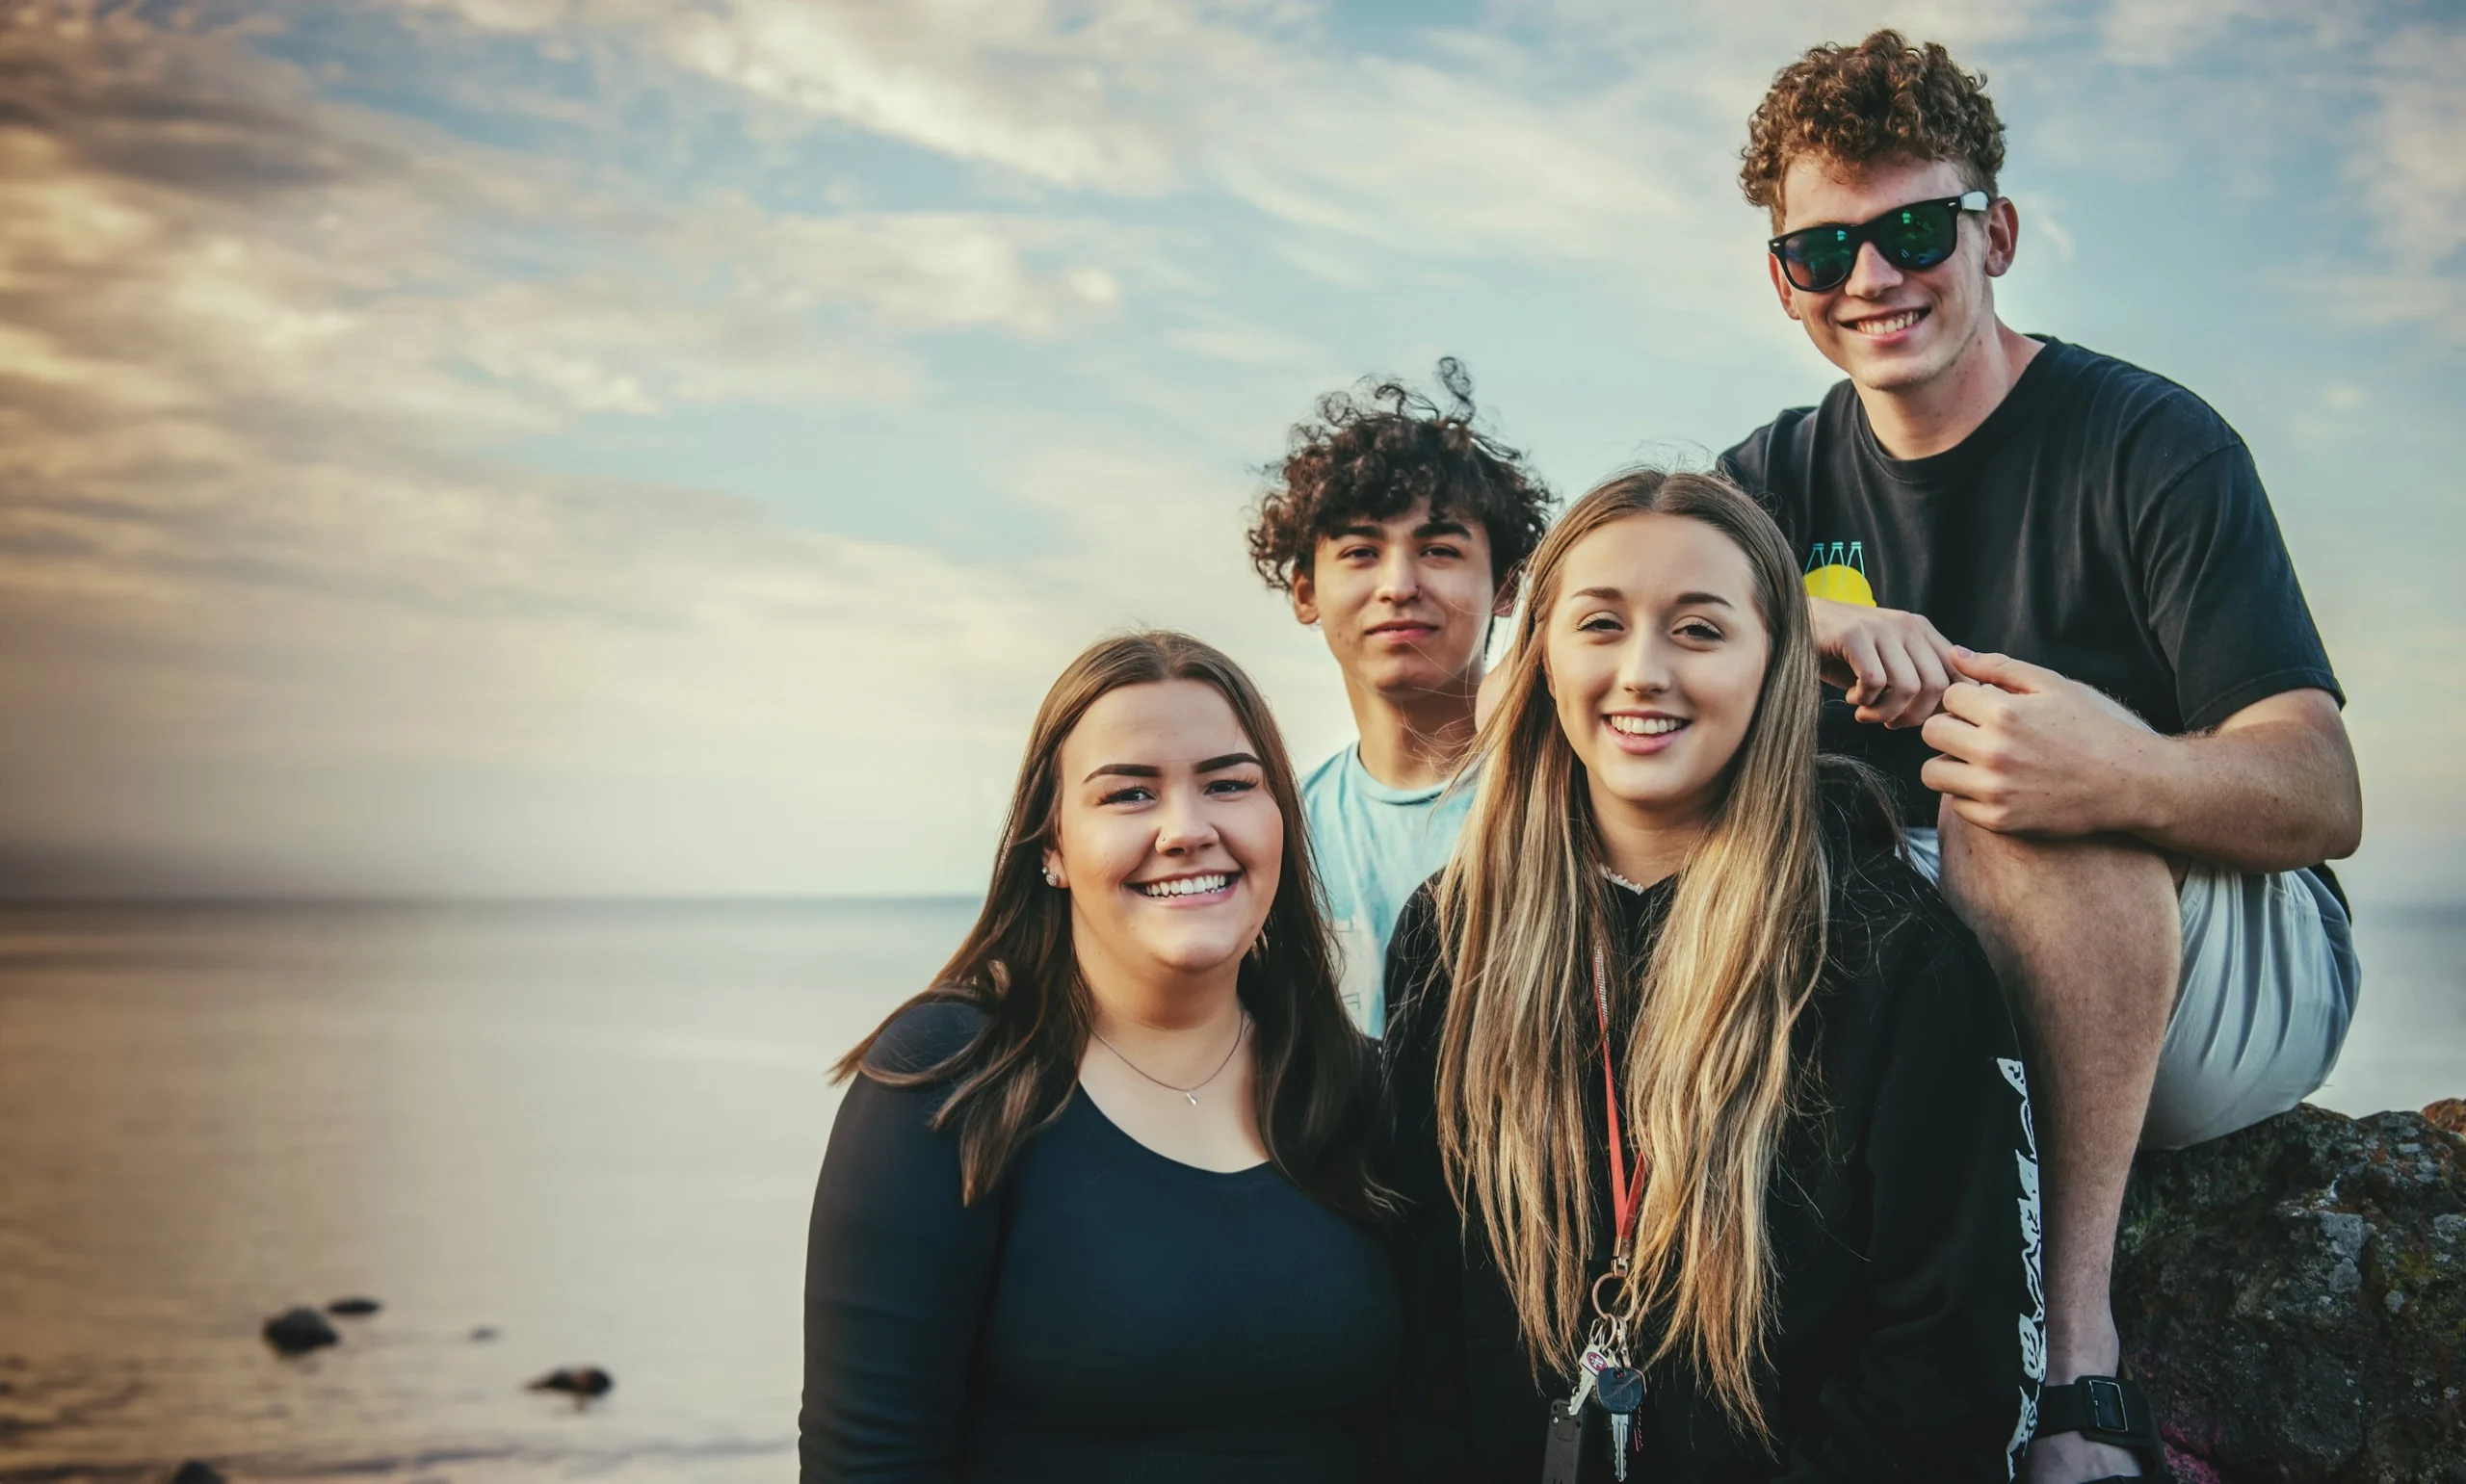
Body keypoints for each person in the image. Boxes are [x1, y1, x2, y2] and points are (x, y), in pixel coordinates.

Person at [1718, 32, 2362, 1484]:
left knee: (2002, 780)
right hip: (1949, 983)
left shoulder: (2151, 442)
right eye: (1822, 248)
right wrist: (1801, 626)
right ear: (1784, 281)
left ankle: (2074, 1369)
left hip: (2214, 977)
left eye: (1912, 231)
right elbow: (1593, 651)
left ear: (1993, 234)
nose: (1870, 277)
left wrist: (2110, 769)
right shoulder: (1762, 490)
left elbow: (2323, 792)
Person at [1380, 471, 2040, 1482]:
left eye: (1698, 630)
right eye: (1600, 624)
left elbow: (1949, 1365)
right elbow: (1414, 1310)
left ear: (1774, 664)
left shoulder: (1891, 952)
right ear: (1542, 656)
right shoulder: (1450, 936)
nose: (1643, 671)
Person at [800, 631, 1400, 1482]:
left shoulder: (1363, 1087)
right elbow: (868, 1464)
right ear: (1051, 846)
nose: (1187, 829)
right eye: (1129, 794)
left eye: (1229, 783)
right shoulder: (948, 1080)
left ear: (1279, 822)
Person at [1247, 358, 1554, 1036]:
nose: (1398, 585)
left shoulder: (1572, 797)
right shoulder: (1280, 837)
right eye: (1361, 552)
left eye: (1439, 549)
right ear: (1306, 592)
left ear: (1506, 586)